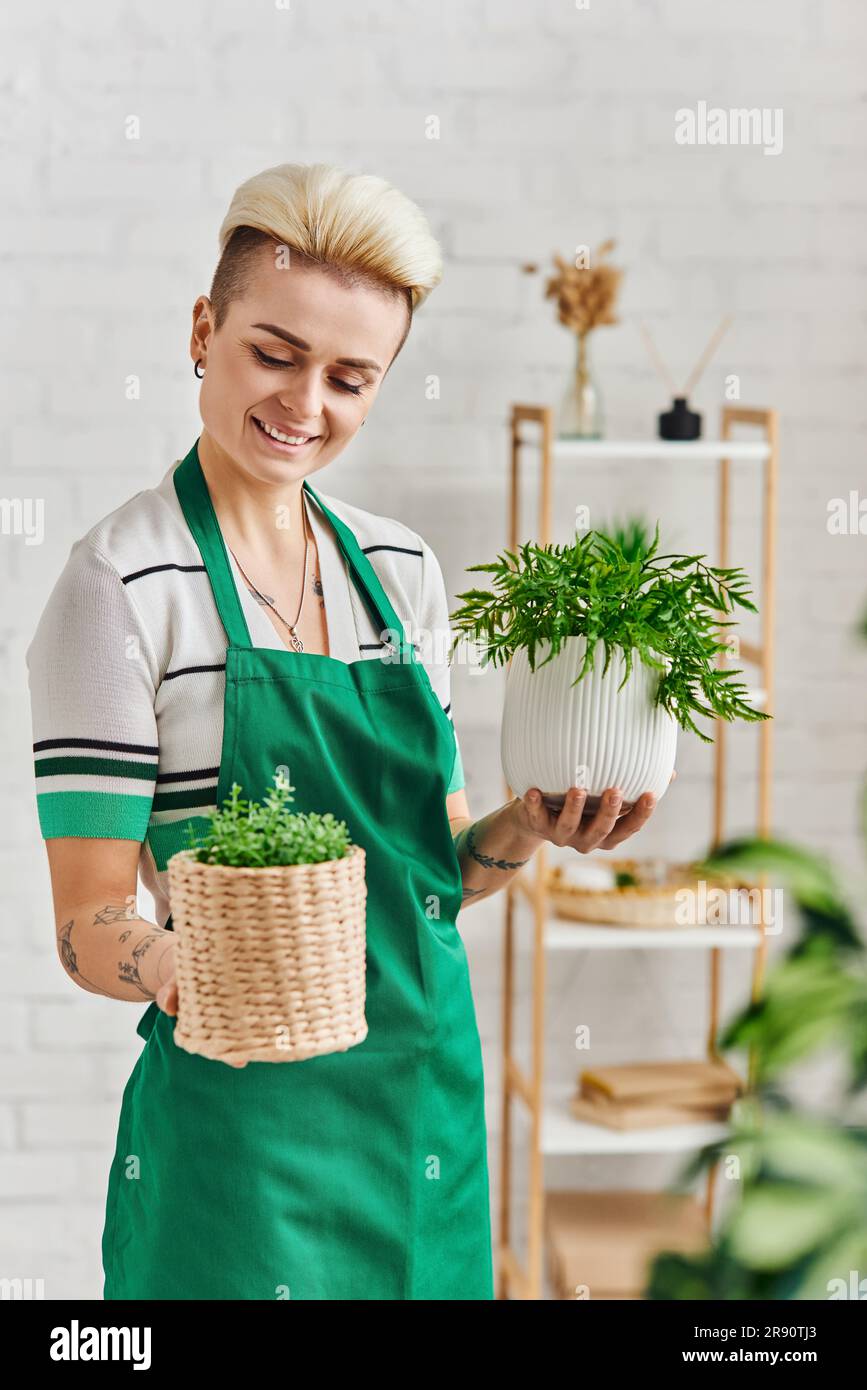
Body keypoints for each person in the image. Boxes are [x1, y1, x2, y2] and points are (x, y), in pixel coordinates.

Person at [26, 161, 663, 1301]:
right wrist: (177, 966)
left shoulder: (402, 572)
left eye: (351, 378)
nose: (304, 405)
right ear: (203, 330)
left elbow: (438, 869)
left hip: (422, 1115)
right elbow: (84, 927)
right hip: (242, 1142)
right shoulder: (118, 587)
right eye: (275, 353)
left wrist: (530, 822)